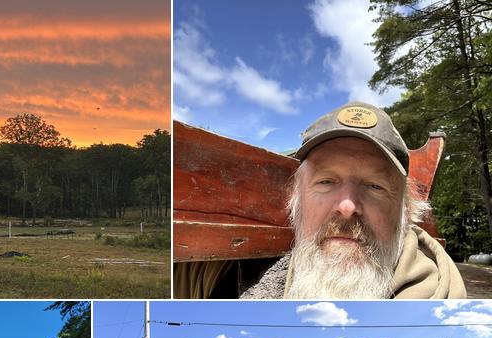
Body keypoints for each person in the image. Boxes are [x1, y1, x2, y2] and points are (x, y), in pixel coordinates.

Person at [178, 102, 466, 299]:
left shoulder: (438, 296)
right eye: (327, 182)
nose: (347, 206)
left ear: (405, 212)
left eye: (375, 186)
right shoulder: (217, 274)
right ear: (295, 201)